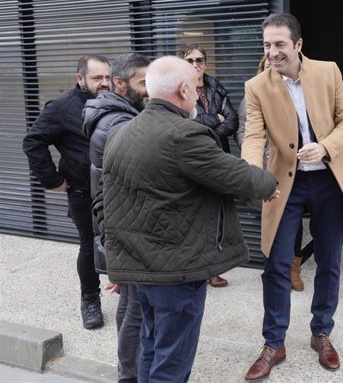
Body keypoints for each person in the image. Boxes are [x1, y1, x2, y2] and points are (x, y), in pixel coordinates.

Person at [100, 56, 278, 382]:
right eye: (196, 89)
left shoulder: (121, 132)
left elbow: (108, 198)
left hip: (141, 267)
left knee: (151, 347)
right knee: (171, 364)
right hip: (175, 270)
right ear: (183, 89)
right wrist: (270, 184)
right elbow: (236, 175)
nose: (198, 95)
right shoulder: (185, 136)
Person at [242, 13, 343, 380]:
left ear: (298, 45)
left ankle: (322, 333)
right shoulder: (257, 87)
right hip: (285, 185)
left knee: (329, 261)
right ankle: (274, 343)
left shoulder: (328, 71)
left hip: (329, 181)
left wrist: (326, 147)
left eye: (279, 44)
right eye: (267, 45)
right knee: (276, 262)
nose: (272, 52)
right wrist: (253, 173)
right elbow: (253, 137)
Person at [23, 55, 110, 330]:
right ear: (80, 79)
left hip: (117, 191)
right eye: (98, 78)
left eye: (108, 77)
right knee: (89, 246)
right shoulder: (61, 108)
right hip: (84, 192)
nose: (104, 83)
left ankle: (131, 293)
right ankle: (90, 300)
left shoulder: (115, 103)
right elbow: (33, 142)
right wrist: (53, 181)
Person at [82, 52, 150, 383]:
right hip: (129, 230)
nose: (149, 89)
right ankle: (130, 376)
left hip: (122, 230)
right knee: (136, 310)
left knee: (130, 304)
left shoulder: (116, 115)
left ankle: (128, 372)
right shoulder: (119, 123)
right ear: (120, 84)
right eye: (143, 82)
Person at [235, 55, 305, 292]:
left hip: (288, 166)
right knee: (269, 219)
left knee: (292, 217)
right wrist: (258, 159)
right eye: (266, 67)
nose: (271, 71)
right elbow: (243, 132)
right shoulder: (251, 97)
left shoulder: (294, 94)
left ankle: (294, 268)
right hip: (263, 166)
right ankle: (273, 266)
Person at [178, 44, 239, 288]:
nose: (196, 65)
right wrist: (215, 119)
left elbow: (233, 121)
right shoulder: (179, 89)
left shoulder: (216, 87)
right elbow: (183, 121)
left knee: (216, 212)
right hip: (190, 157)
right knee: (194, 213)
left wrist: (209, 131)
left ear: (206, 61)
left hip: (216, 156)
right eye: (190, 60)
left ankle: (213, 269)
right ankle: (194, 268)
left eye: (200, 60)